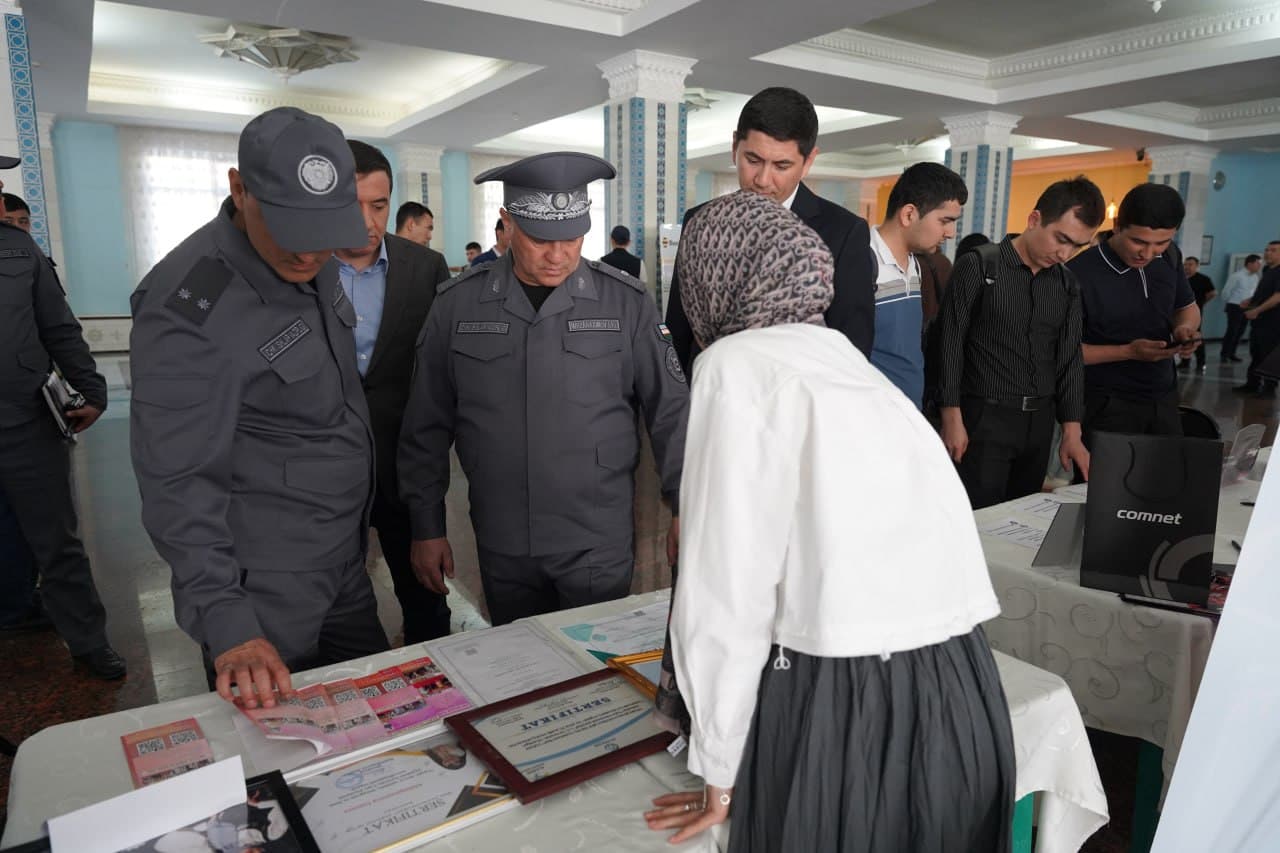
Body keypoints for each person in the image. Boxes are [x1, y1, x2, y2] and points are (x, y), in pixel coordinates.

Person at [644, 190, 1012, 851]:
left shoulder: (734, 366)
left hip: (844, 696)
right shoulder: (847, 360)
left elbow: (726, 590)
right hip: (962, 691)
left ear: (710, 278)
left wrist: (720, 771)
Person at [130, 107, 390, 708]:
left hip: (344, 559)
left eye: (323, 232)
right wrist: (229, 623)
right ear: (238, 188)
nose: (309, 255)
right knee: (278, 763)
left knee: (376, 720)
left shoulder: (312, 259)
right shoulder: (187, 308)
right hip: (265, 590)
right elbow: (177, 478)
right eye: (291, 230)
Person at [398, 151, 688, 626]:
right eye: (540, 240)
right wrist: (426, 527)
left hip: (595, 535)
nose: (559, 256)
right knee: (518, 668)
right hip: (502, 537)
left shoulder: (626, 302)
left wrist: (685, 506)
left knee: (597, 672)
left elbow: (672, 412)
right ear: (507, 224)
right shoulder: (458, 305)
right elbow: (425, 425)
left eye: (573, 239)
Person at [0, 161, 124, 679]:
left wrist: (92, 390)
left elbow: (59, 326)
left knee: (58, 540)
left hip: (25, 423)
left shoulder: (18, 249)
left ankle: (87, 640)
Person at [664, 87, 875, 374]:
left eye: (782, 165)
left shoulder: (843, 232)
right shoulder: (700, 220)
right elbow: (679, 331)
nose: (763, 180)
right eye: (753, 160)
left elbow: (851, 352)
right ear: (734, 146)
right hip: (705, 397)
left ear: (808, 161)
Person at [336, 142, 453, 643]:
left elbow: (441, 375)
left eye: (379, 206)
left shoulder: (425, 268)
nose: (367, 221)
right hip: (328, 474)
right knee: (334, 611)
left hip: (406, 467)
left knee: (426, 600)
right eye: (351, 205)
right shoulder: (301, 269)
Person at [937, 177, 1102, 508]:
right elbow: (950, 343)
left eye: (1077, 247)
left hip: (1039, 423)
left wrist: (1072, 431)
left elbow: (1069, 358)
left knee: (1022, 516)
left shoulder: (1067, 284)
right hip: (983, 418)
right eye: (1062, 239)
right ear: (1034, 220)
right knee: (977, 519)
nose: (1065, 253)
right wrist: (951, 416)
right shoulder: (981, 265)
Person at [1066, 183, 1199, 445]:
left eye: (1161, 243)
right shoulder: (1078, 273)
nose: (1148, 254)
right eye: (1138, 241)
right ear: (1117, 226)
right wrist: (1128, 352)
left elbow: (1186, 307)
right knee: (1106, 484)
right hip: (1106, 403)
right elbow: (1062, 352)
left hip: (1164, 395)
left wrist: (1185, 329)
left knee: (1168, 477)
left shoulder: (1170, 256)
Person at [869, 162, 966, 408]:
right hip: (870, 414)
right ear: (909, 214)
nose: (951, 233)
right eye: (945, 221)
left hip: (907, 413)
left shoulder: (916, 264)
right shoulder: (861, 261)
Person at [1234, 240, 1280, 397]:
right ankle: (1252, 384)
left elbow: (1277, 296)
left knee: (1269, 354)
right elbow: (1265, 292)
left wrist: (1258, 310)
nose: (1268, 253)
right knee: (1256, 353)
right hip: (1260, 322)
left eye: (1273, 250)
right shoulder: (1268, 270)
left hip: (1273, 322)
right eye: (1267, 249)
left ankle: (1269, 387)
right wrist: (1251, 301)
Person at [1219, 253, 1261, 363]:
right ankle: (1224, 354)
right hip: (1235, 306)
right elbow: (1226, 292)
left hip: (1248, 307)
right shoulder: (1237, 276)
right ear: (1250, 263)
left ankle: (1232, 353)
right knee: (1232, 331)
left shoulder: (1256, 277)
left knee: (1240, 331)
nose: (1259, 266)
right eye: (1257, 263)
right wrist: (1232, 302)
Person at [1178, 256, 1215, 371]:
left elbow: (1212, 293)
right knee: (1183, 334)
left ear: (1196, 266)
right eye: (1185, 264)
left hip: (1195, 312)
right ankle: (1185, 361)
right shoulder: (1180, 278)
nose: (1187, 267)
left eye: (1190, 264)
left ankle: (1201, 362)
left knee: (1195, 336)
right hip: (1180, 312)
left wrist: (1201, 303)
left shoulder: (1203, 279)